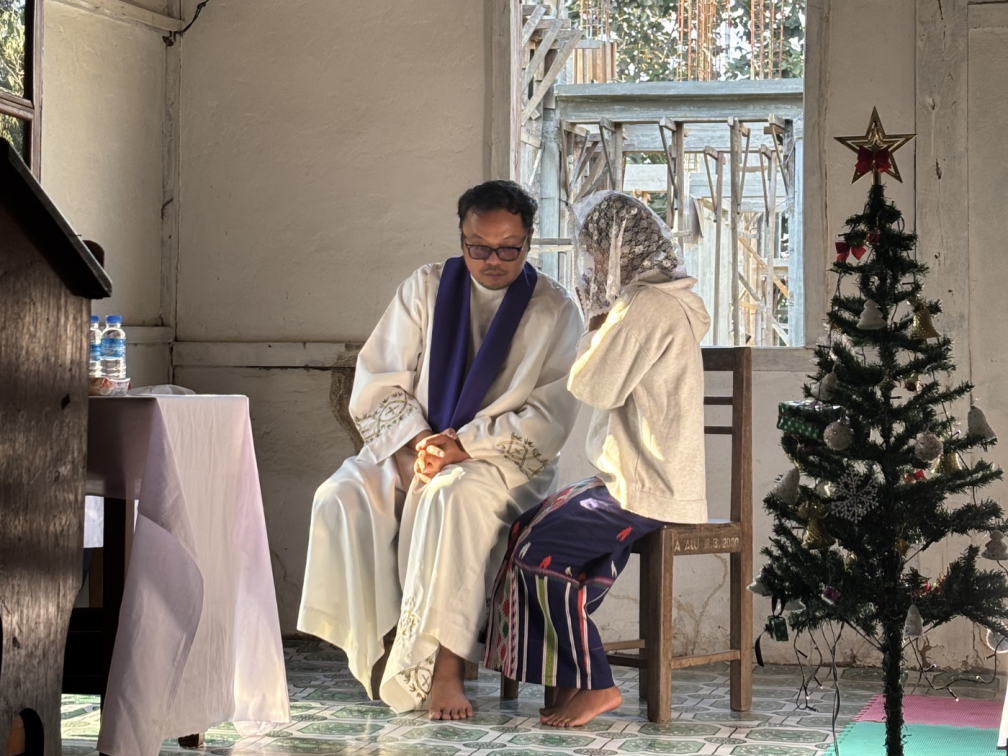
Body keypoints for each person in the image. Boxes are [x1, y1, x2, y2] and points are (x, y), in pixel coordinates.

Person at [298, 180, 584, 720]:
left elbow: (549, 416)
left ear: (529, 242)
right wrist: (416, 444)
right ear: (460, 237)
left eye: (509, 248)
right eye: (478, 246)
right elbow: (380, 378)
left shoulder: (554, 309)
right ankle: (387, 647)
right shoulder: (425, 288)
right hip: (413, 445)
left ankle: (445, 668)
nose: (493, 260)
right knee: (340, 496)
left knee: (451, 502)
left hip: (495, 463)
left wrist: (464, 446)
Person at [482, 191, 711, 727]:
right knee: (525, 528)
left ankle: (598, 684)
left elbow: (595, 386)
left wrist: (596, 322)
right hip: (632, 478)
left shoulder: (647, 305)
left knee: (539, 552)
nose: (594, 264)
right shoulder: (654, 299)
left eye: (596, 251)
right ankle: (567, 678)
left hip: (648, 485)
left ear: (619, 246)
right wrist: (606, 319)